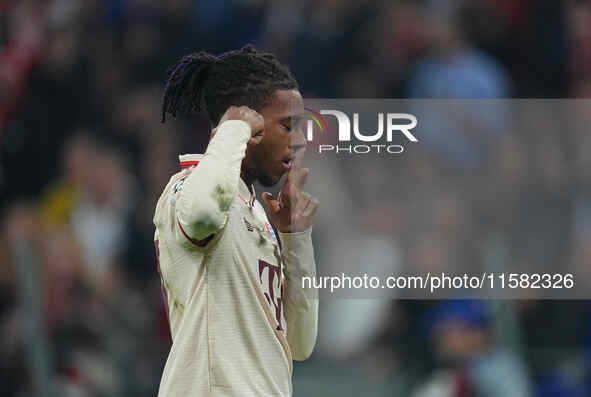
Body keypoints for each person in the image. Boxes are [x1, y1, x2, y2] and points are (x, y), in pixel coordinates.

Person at [153, 45, 319, 396]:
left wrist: (295, 238)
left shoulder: (256, 216)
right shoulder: (186, 189)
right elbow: (201, 213)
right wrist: (230, 130)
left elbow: (301, 342)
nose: (299, 140)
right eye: (287, 125)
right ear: (250, 125)